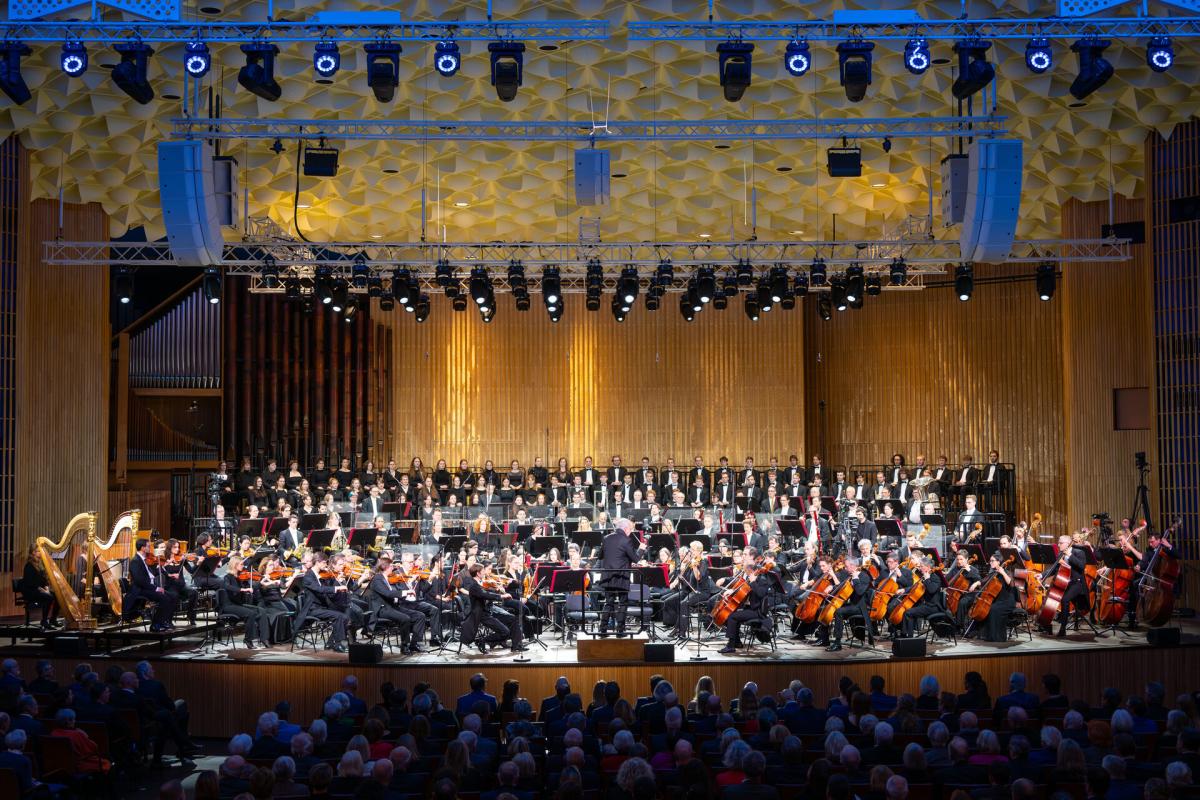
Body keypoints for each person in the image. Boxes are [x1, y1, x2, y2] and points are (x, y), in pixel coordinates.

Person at [719, 548, 776, 654]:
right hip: (749, 608)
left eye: (747, 572)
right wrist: (731, 592)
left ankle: (730, 646)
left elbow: (760, 594)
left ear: (752, 571)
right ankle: (736, 641)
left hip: (757, 611)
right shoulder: (751, 578)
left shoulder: (762, 579)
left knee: (732, 617)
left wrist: (754, 582)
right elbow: (744, 591)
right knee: (730, 614)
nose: (747, 574)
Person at [598, 519, 643, 637]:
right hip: (621, 576)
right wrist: (642, 548)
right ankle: (620, 631)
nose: (630, 532)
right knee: (623, 603)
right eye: (630, 529)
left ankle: (602, 630)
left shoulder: (606, 538)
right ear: (626, 528)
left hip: (607, 576)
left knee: (608, 603)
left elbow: (600, 555)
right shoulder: (626, 540)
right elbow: (636, 558)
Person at [124, 537, 178, 631]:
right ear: (143, 548)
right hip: (140, 590)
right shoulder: (135, 561)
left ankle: (164, 621)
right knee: (164, 598)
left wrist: (161, 568)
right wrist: (155, 588)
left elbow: (151, 575)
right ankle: (155, 625)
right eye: (148, 546)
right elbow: (139, 581)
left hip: (148, 588)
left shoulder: (144, 560)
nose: (150, 548)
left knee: (173, 597)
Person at [1049, 534, 1091, 637]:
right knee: (1052, 597)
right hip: (1065, 582)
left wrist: (1069, 556)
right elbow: (1053, 568)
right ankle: (1045, 623)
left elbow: (1081, 566)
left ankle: (1063, 628)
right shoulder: (1060, 554)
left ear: (1068, 544)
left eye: (1060, 543)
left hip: (1077, 583)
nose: (1058, 545)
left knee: (1064, 599)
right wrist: (1041, 575)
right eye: (1058, 543)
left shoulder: (1079, 552)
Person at [828, 558, 873, 651]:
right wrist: (831, 587)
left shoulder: (864, 576)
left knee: (839, 611)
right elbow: (841, 587)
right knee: (831, 608)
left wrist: (856, 579)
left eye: (847, 566)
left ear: (853, 566)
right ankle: (824, 638)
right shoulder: (849, 576)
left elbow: (860, 592)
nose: (845, 568)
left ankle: (837, 642)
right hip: (853, 605)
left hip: (861, 607)